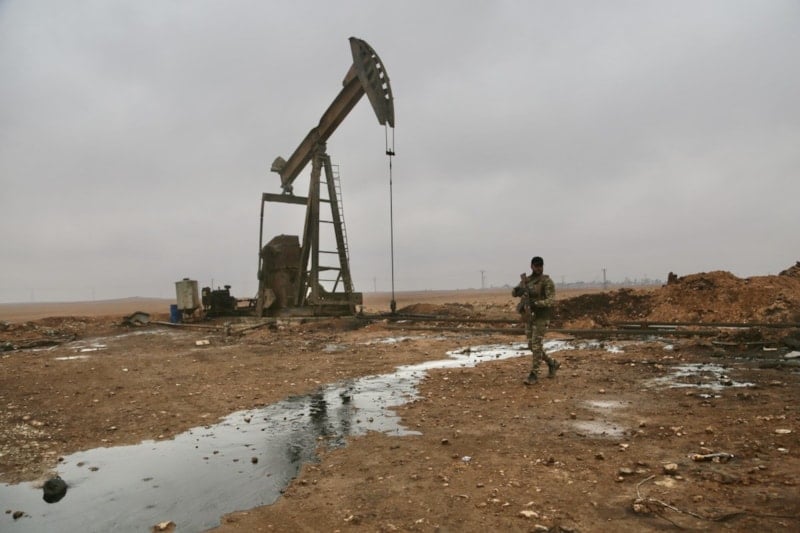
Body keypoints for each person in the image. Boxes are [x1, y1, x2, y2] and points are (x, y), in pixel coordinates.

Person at [512, 256, 559, 385]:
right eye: (536, 266)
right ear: (531, 266)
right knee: (532, 346)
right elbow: (513, 293)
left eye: (540, 266)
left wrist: (536, 303)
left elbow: (551, 300)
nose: (539, 268)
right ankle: (552, 363)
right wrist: (518, 291)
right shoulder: (526, 281)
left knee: (537, 345)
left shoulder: (546, 282)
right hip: (529, 317)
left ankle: (534, 374)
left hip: (542, 317)